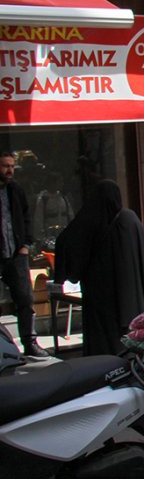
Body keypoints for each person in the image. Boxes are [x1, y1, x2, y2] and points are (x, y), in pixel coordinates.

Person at [55, 181, 144, 357]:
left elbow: (66, 243)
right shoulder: (130, 219)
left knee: (104, 344)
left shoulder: (89, 220)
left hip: (100, 297)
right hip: (131, 299)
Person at [0, 152, 48, 359]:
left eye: (11, 166)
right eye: (5, 166)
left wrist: (26, 245)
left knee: (25, 298)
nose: (10, 170)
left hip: (16, 253)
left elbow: (26, 217)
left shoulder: (15, 190)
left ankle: (30, 342)